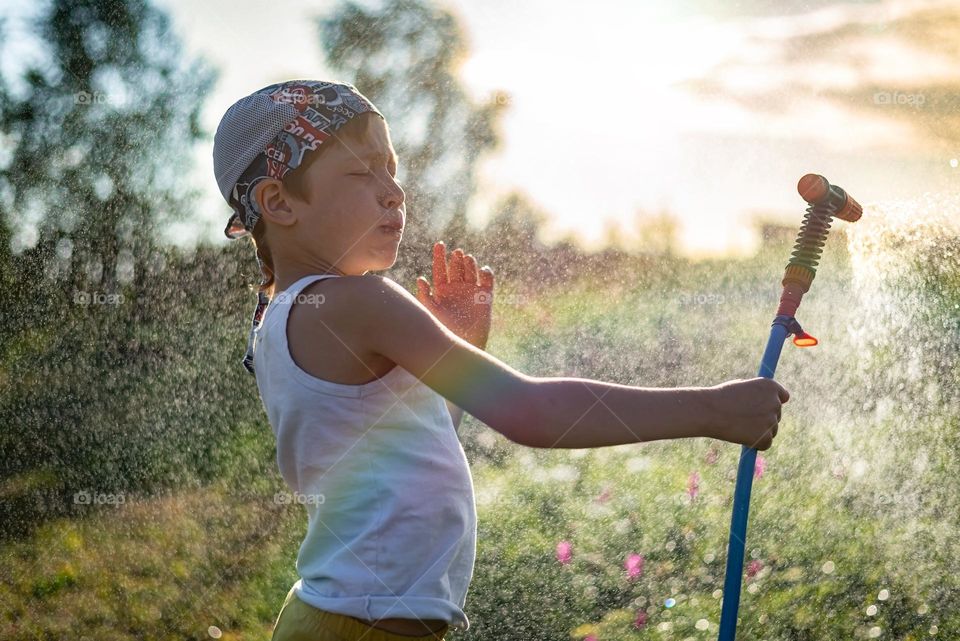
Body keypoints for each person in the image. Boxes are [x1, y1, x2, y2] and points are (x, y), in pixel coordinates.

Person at [212, 80, 790, 641]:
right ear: (278, 201)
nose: (394, 191)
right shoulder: (357, 299)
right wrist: (714, 410)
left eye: (392, 168)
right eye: (363, 171)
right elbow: (530, 412)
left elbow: (405, 446)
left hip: (339, 618)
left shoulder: (284, 317)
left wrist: (460, 345)